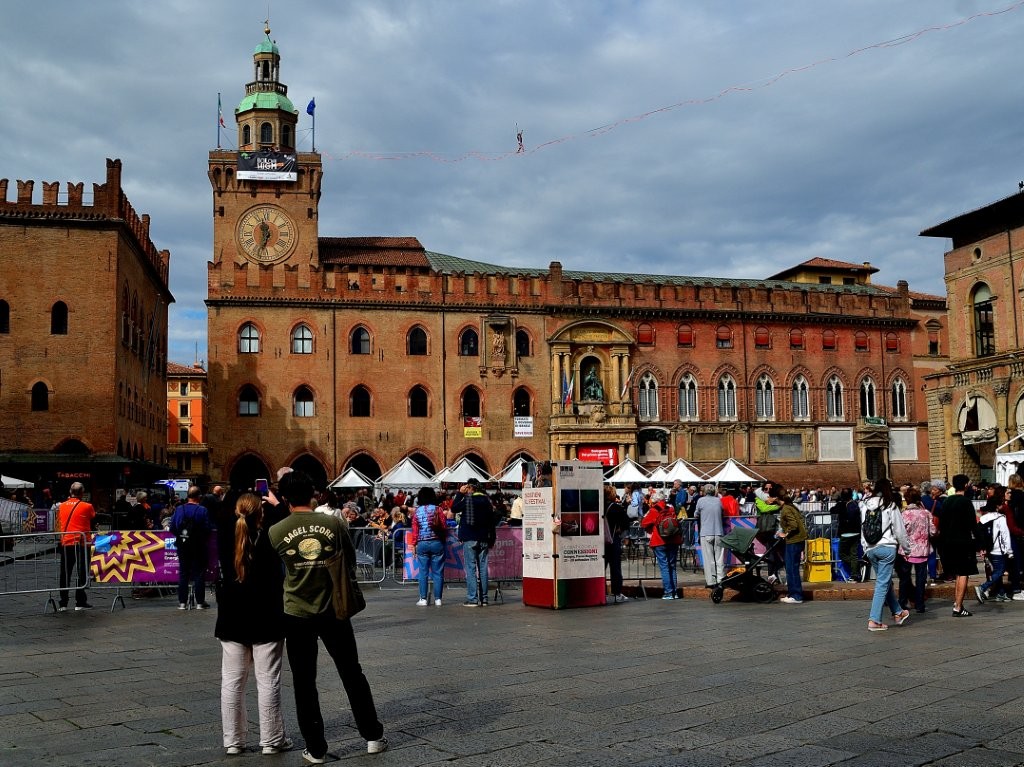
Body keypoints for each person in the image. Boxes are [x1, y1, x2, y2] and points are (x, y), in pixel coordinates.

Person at [268, 470, 387, 761]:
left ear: (284, 499)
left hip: (296, 612)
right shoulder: (333, 523)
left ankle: (316, 748)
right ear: (314, 494)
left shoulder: (276, 531)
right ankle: (372, 735)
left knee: (304, 681)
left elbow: (277, 570)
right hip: (334, 608)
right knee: (351, 673)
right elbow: (349, 556)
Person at [215, 493, 292, 756]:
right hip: (266, 615)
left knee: (232, 682)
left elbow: (223, 508)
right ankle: (271, 740)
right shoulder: (271, 536)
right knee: (268, 680)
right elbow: (288, 521)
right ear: (261, 513)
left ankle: (233, 741)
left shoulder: (226, 534)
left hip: (232, 616)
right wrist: (277, 503)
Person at [861, 478, 912, 630]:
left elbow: (862, 527)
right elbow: (899, 530)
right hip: (887, 547)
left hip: (871, 548)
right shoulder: (890, 505)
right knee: (882, 584)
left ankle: (898, 612)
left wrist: (865, 547)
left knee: (885, 583)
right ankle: (874, 620)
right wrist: (906, 549)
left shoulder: (864, 505)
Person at [454, 477, 496, 607]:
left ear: (470, 488)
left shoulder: (467, 499)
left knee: (471, 569)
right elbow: (491, 521)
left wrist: (460, 493)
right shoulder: (487, 501)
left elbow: (454, 508)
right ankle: (484, 599)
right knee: (483, 568)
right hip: (483, 538)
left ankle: (472, 599)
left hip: (470, 538)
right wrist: (491, 538)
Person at [169, 485, 213, 610]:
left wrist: (182, 536)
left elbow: (172, 528)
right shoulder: (202, 510)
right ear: (199, 497)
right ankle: (200, 602)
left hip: (183, 545)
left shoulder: (179, 509)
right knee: (199, 573)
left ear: (188, 496)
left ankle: (182, 603)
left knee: (183, 573)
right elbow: (207, 528)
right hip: (198, 546)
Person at [56, 482, 96, 611]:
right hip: (82, 543)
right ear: (81, 493)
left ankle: (63, 603)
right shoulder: (87, 506)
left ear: (70, 491)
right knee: (82, 573)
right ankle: (80, 601)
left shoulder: (61, 506)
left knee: (65, 573)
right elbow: (92, 518)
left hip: (66, 542)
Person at [943, 474, 980, 617]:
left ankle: (957, 603)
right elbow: (973, 525)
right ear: (965, 485)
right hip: (963, 542)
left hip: (949, 542)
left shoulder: (947, 501)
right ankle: (958, 606)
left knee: (958, 573)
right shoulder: (966, 502)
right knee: (964, 573)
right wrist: (980, 544)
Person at [898, 487, 935, 613]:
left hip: (907, 551)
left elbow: (900, 532)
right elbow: (933, 531)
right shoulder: (926, 513)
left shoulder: (904, 514)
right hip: (922, 551)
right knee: (921, 579)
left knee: (905, 578)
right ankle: (919, 604)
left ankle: (902, 602)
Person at [975, 488, 1013, 604]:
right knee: (1000, 571)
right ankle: (982, 587)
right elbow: (1005, 535)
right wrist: (1009, 551)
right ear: (997, 506)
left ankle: (1001, 594)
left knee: (996, 571)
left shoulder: (983, 518)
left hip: (989, 549)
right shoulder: (1000, 518)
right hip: (999, 549)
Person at [410, 487, 445, 606]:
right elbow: (443, 526)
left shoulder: (417, 511)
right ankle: (438, 599)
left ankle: (423, 599)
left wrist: (414, 544)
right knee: (438, 572)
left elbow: (415, 530)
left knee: (423, 572)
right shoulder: (438, 509)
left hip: (422, 543)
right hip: (437, 542)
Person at [642, 493, 681, 600]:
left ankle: (668, 592)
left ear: (654, 501)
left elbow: (644, 523)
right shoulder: (671, 509)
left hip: (660, 541)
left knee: (664, 567)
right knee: (672, 566)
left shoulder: (654, 510)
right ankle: (675, 592)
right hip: (673, 540)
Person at [776, 493, 808, 605]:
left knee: (791, 568)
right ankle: (793, 594)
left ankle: (796, 595)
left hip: (793, 541)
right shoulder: (791, 507)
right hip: (798, 540)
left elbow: (793, 525)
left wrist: (785, 533)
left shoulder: (786, 509)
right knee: (793, 568)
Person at [694, 484, 725, 589]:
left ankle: (711, 581)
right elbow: (722, 512)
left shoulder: (701, 501)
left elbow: (696, 514)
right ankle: (721, 579)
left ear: (705, 491)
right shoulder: (718, 501)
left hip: (706, 532)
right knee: (719, 558)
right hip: (719, 531)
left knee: (709, 559)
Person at [603, 483, 630, 603]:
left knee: (600, 569)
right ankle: (617, 593)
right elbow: (626, 523)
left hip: (599, 542)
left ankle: (600, 592)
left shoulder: (598, 506)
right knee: (615, 568)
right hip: (613, 541)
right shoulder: (617, 508)